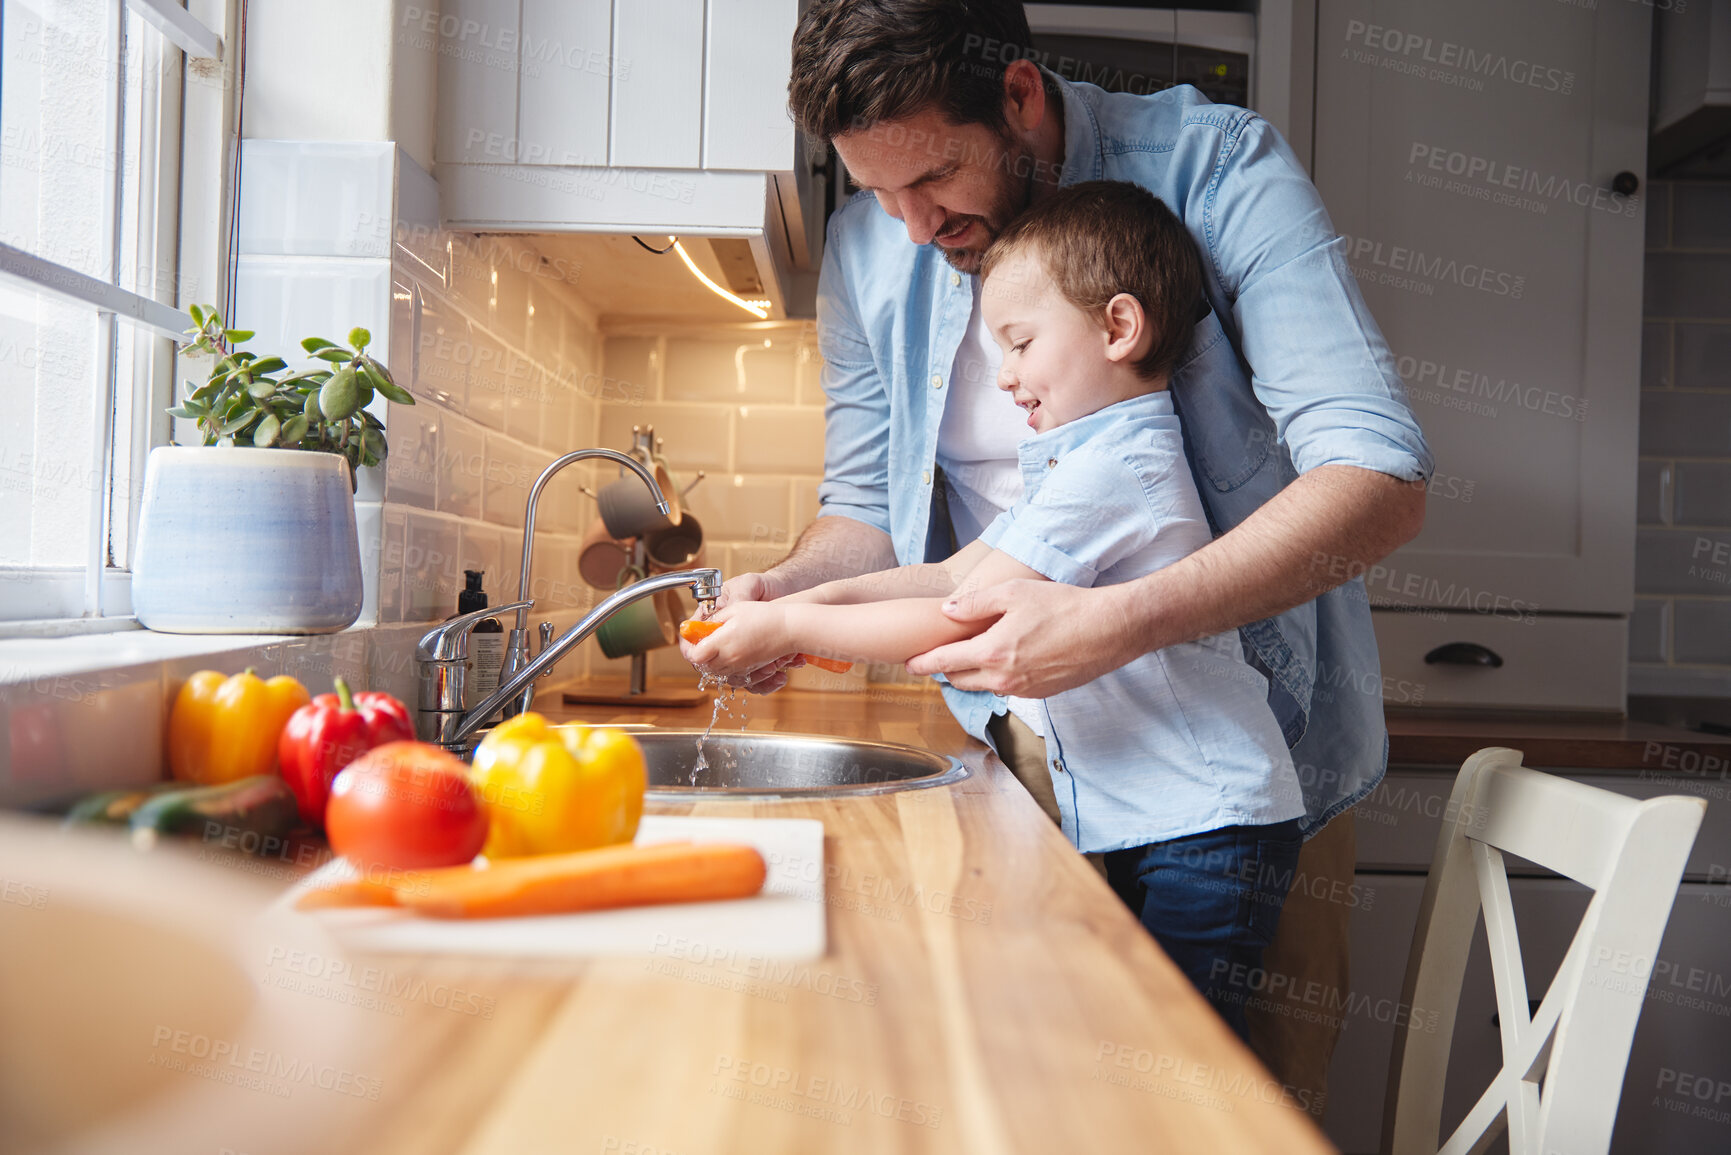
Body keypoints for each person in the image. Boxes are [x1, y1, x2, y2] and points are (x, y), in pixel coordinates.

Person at [680, 0, 1433, 1110]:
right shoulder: (870, 245)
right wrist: (789, 593)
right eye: (877, 191)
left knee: (1226, 1112)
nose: (908, 225)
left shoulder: (1216, 167)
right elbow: (879, 519)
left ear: (1019, 97)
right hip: (1028, 754)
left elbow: (1378, 476)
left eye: (933, 179)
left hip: (1233, 763)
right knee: (1046, 1102)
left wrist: (1119, 622)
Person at [691, 180, 1314, 1041]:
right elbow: (952, 571)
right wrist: (801, 595)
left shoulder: (1119, 466)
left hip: (1209, 831)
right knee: (1135, 1058)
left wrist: (791, 630)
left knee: (1181, 1068)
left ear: (1119, 328)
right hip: (1160, 818)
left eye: (1018, 343)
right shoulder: (1074, 459)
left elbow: (960, 613)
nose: (1007, 375)